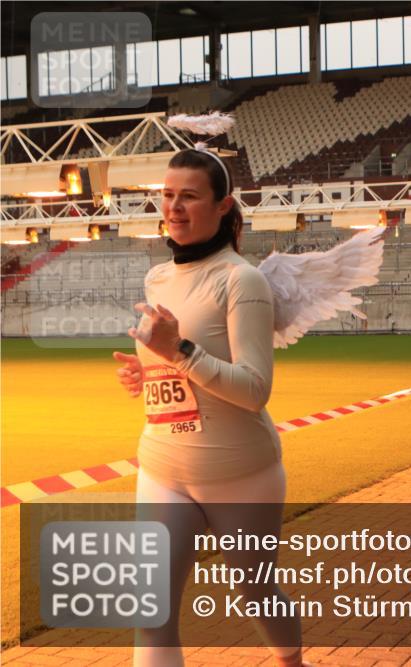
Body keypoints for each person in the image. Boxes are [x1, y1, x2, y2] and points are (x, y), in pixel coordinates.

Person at [112, 148, 310, 667]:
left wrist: (179, 351)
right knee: (151, 612)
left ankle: (292, 662)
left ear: (223, 206)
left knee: (257, 594)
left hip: (240, 473)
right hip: (163, 467)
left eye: (189, 197)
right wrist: (147, 370)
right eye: (168, 195)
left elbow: (253, 389)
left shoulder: (242, 280)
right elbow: (173, 364)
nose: (174, 207)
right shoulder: (157, 278)